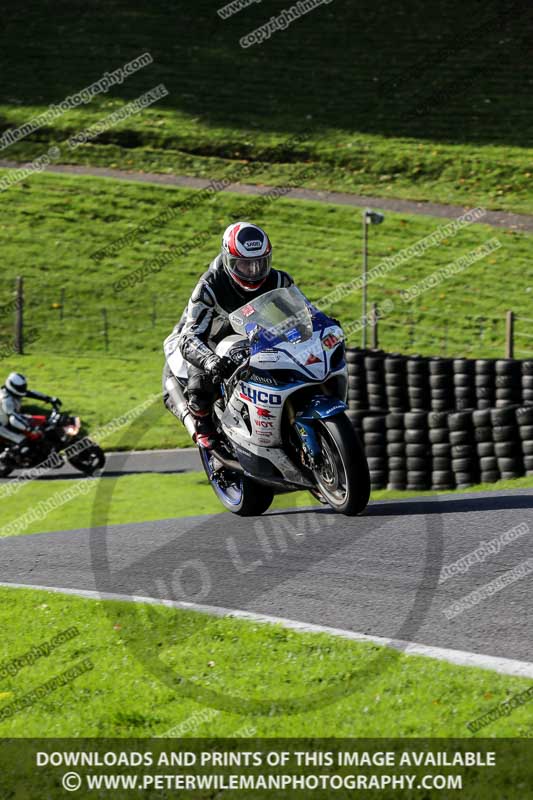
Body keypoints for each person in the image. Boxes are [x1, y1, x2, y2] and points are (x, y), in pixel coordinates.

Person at [163, 221, 293, 448]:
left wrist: (323, 326)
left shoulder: (278, 279)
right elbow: (189, 337)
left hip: (249, 336)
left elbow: (303, 314)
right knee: (200, 386)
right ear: (228, 260)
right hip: (207, 340)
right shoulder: (210, 285)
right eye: (244, 265)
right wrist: (210, 360)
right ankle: (204, 427)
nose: (253, 273)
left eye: (260, 264)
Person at [0, 372, 59, 461]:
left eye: (24, 386)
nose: (23, 388)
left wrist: (49, 398)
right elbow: (14, 419)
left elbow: (30, 393)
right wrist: (30, 429)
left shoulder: (13, 391)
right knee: (24, 441)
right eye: (21, 387)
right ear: (12, 386)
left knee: (43, 422)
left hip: (11, 418)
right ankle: (10, 458)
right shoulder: (6, 400)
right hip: (3, 425)